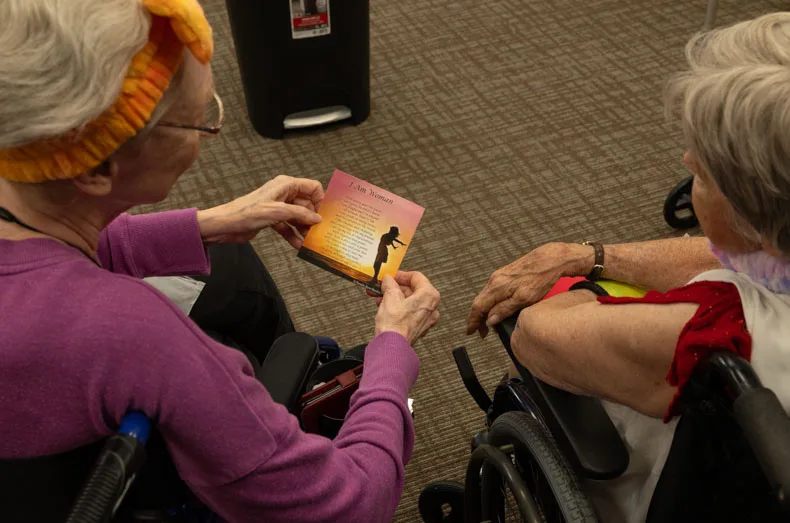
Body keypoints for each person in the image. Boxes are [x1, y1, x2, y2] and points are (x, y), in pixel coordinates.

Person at [0, 1, 441, 522]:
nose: (208, 136)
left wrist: (206, 224)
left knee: (230, 266)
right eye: (201, 123)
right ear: (96, 168)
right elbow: (349, 505)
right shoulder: (134, 334)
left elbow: (44, 258)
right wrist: (390, 355)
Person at [467, 12, 790, 522]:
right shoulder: (775, 253)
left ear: (749, 210)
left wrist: (579, 287)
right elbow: (742, 255)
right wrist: (595, 256)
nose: (687, 159)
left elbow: (538, 337)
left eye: (703, 173)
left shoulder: (721, 334)